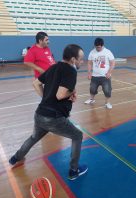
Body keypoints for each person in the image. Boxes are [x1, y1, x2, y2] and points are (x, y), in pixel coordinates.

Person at [9, 44, 88, 181]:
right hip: (53, 118)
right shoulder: (70, 71)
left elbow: (36, 83)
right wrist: (72, 91)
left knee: (34, 138)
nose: (82, 62)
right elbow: (60, 94)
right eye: (81, 59)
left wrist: (46, 98)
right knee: (77, 136)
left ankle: (16, 157)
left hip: (40, 114)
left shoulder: (53, 67)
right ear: (73, 60)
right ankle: (74, 171)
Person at [84, 37, 115, 109]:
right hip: (95, 76)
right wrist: (89, 73)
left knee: (107, 90)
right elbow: (89, 63)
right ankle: (92, 99)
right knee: (92, 89)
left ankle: (107, 103)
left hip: (105, 76)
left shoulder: (108, 52)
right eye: (96, 47)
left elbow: (113, 63)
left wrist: (109, 72)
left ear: (102, 45)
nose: (98, 49)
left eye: (99, 47)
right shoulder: (92, 52)